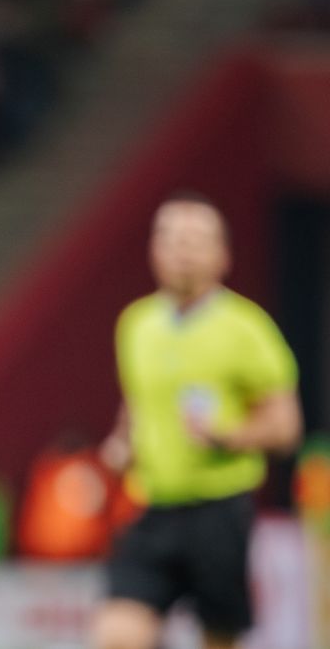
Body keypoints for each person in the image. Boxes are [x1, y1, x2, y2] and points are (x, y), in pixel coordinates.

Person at [93, 195, 303, 649]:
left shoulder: (247, 328)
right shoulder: (136, 323)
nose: (181, 250)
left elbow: (287, 427)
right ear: (152, 250)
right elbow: (139, 398)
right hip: (152, 505)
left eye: (195, 240)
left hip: (219, 509)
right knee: (118, 634)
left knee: (219, 639)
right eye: (169, 238)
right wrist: (121, 442)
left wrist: (230, 435)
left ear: (222, 256)